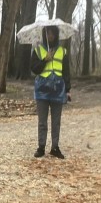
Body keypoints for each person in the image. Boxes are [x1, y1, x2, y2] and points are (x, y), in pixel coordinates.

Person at [30, 24, 71, 159]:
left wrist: (68, 89)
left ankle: (55, 147)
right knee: (42, 121)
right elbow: (34, 69)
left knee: (56, 121)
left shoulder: (63, 52)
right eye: (48, 33)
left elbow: (66, 72)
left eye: (53, 33)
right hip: (41, 91)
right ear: (44, 35)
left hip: (58, 90)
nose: (50, 36)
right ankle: (41, 147)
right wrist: (45, 59)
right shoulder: (38, 51)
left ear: (56, 34)